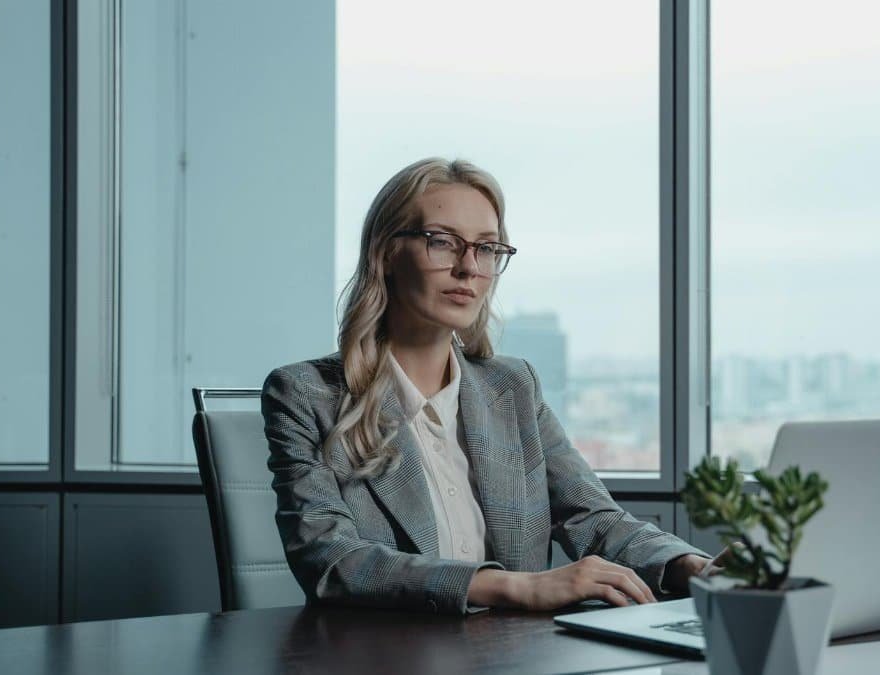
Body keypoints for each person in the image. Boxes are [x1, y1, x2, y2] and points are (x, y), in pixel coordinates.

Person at [261, 157, 711, 615]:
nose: (469, 267)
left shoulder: (513, 386)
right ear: (386, 253)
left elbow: (592, 518)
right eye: (443, 242)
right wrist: (516, 587)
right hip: (385, 658)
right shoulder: (305, 394)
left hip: (514, 656)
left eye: (487, 248)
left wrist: (693, 568)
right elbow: (334, 561)